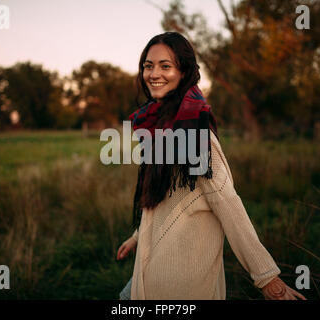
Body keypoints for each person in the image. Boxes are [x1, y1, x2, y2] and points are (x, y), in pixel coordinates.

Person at [116, 32, 306, 301]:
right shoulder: (156, 124)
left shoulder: (195, 133)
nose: (154, 73)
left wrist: (267, 278)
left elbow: (227, 202)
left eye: (165, 66)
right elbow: (161, 197)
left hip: (182, 278)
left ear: (184, 72)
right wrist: (137, 236)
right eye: (148, 65)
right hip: (151, 264)